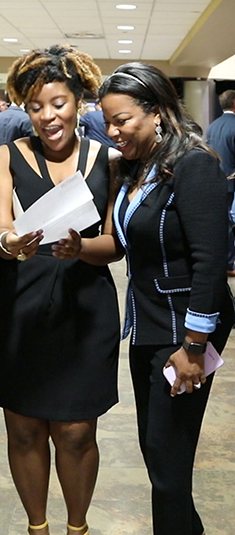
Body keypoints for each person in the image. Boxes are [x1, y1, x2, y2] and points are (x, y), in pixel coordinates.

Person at [0, 45, 122, 535]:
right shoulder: (5, 157)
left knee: (77, 430)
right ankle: (36, 527)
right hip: (21, 306)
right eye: (35, 106)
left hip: (86, 308)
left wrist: (81, 248)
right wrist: (12, 242)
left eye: (57, 103)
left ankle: (76, 528)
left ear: (79, 102)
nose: (47, 116)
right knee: (23, 429)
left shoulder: (111, 159)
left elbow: (115, 243)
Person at [99, 62, 235, 535]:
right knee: (161, 456)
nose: (113, 131)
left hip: (184, 332)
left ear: (156, 112)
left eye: (122, 120)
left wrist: (195, 346)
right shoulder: (140, 167)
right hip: (149, 326)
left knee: (167, 461)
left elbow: (211, 263)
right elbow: (124, 242)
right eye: (108, 121)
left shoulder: (194, 165)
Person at [206, 89, 235, 275]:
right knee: (229, 224)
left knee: (221, 223)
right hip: (232, 182)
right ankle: (230, 263)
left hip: (215, 180)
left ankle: (224, 261)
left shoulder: (212, 125)